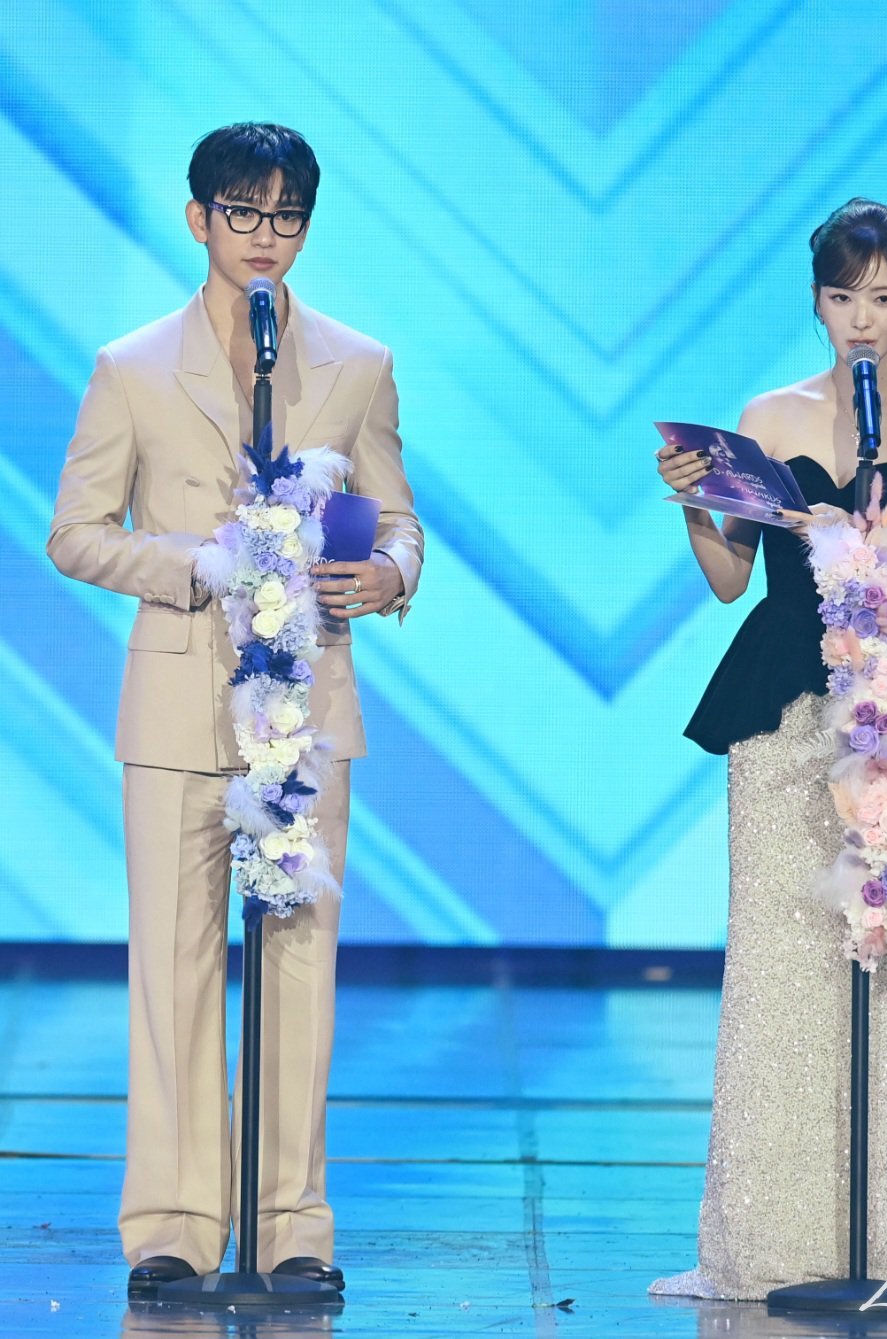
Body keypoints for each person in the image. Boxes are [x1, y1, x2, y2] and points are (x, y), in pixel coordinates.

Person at [47, 123, 423, 1298]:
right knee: (174, 968)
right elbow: (75, 534)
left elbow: (398, 517)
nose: (266, 236)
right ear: (198, 217)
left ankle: (290, 1225)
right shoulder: (132, 367)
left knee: (299, 964)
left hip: (305, 711)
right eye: (244, 212)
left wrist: (389, 573)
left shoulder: (355, 362)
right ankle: (171, 1222)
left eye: (286, 216)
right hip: (177, 708)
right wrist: (192, 564)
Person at [649, 198, 887, 1301]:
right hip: (782, 709)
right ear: (817, 301)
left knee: (886, 961)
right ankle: (768, 1237)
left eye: (883, 296)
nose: (862, 318)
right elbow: (729, 579)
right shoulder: (771, 414)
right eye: (843, 296)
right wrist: (695, 510)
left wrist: (850, 539)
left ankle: (886, 1235)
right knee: (779, 964)